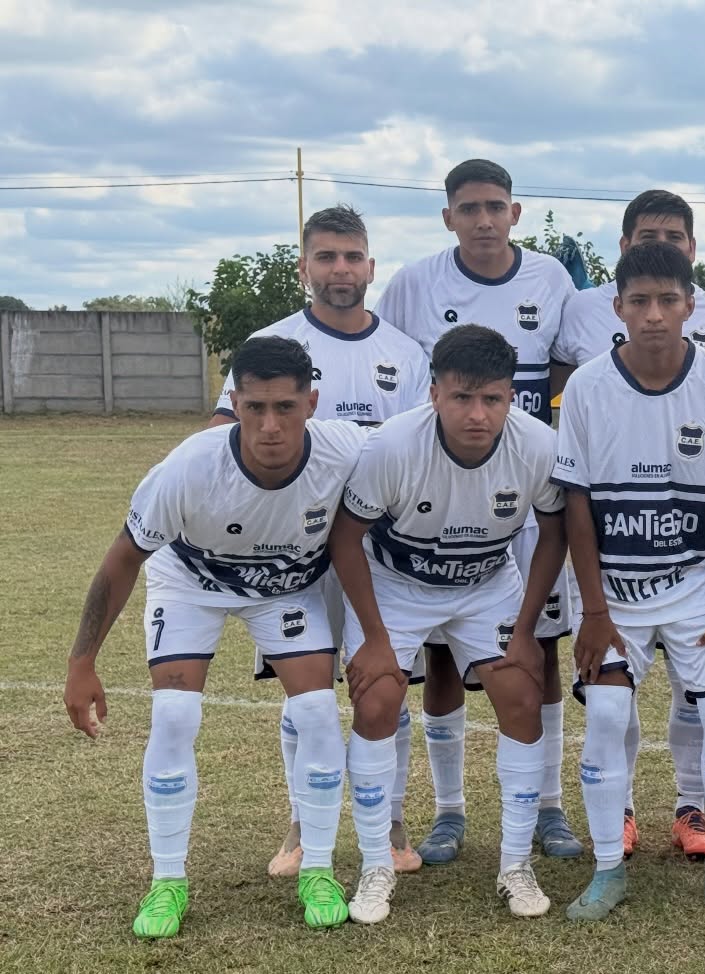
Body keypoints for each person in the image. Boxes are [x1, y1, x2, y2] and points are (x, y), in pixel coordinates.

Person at [64, 336, 369, 937]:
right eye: (255, 408)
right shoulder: (190, 466)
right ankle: (167, 882)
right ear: (235, 403)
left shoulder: (348, 449)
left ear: (311, 403)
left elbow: (417, 447)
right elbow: (123, 558)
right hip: (190, 584)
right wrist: (82, 662)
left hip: (284, 589)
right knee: (174, 715)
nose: (270, 426)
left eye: (285, 407)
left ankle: (318, 868)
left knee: (316, 712)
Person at [555, 242, 705, 920]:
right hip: (616, 592)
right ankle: (606, 869)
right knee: (605, 715)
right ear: (618, 308)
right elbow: (575, 503)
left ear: (689, 306)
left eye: (666, 300)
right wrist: (594, 609)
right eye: (639, 301)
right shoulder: (587, 387)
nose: (653, 314)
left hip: (701, 584)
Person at [208, 204, 432, 879]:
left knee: (384, 687)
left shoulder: (405, 353)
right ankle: (304, 824)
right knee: (305, 693)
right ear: (304, 267)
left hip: (379, 550)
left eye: (352, 256)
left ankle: (390, 820)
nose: (341, 269)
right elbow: (223, 435)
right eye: (327, 257)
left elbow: (421, 449)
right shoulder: (272, 342)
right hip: (295, 550)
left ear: (371, 266)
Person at [328, 324, 568, 924]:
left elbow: (554, 532)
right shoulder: (391, 446)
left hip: (485, 582)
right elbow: (346, 539)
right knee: (377, 700)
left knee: (521, 695)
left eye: (492, 398)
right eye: (462, 397)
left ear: (512, 396)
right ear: (434, 393)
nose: (477, 414)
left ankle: (515, 864)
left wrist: (525, 630)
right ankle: (376, 864)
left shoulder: (538, 445)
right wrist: (376, 639)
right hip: (396, 584)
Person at [377, 159, 581, 864]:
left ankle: (548, 805)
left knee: (539, 648)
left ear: (515, 213)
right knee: (442, 650)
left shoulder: (550, 278)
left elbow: (566, 362)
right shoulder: (414, 283)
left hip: (524, 485)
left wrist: (532, 421)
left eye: (496, 206)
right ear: (448, 217)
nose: (484, 220)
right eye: (469, 208)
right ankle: (449, 810)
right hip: (447, 488)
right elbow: (398, 365)